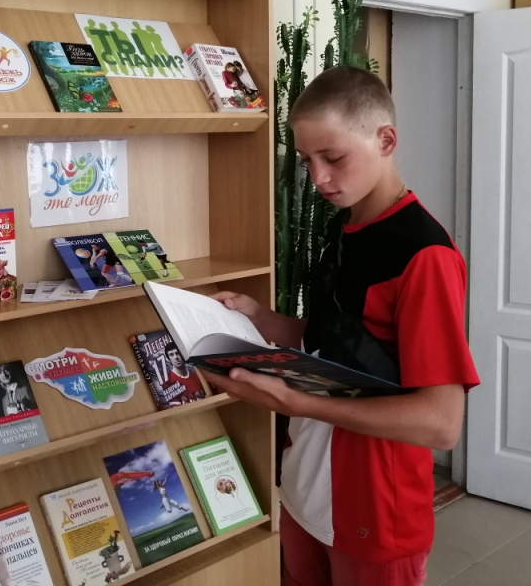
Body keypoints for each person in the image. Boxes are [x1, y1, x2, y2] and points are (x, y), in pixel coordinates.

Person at [204, 66, 480, 586]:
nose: (319, 179)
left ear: (386, 140)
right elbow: (335, 344)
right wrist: (260, 318)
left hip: (374, 509)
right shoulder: (345, 225)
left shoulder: (424, 255)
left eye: (332, 158)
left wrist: (295, 403)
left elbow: (441, 423)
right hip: (305, 487)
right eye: (307, 160)